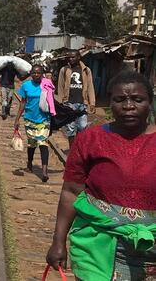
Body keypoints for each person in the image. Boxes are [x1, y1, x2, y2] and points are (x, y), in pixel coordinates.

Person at [47, 71, 156, 281]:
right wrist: (58, 241)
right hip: (97, 245)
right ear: (110, 103)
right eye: (120, 99)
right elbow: (71, 191)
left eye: (137, 99)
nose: (128, 106)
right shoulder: (90, 139)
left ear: (150, 102)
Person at [14, 65, 52, 182]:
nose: (36, 75)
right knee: (32, 144)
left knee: (43, 143)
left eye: (39, 73)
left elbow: (51, 101)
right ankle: (30, 162)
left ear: (42, 74)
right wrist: (17, 119)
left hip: (44, 119)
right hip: (29, 119)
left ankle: (44, 171)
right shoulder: (26, 86)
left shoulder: (46, 85)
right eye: (34, 73)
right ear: (31, 74)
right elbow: (23, 103)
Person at [56, 50, 96, 148]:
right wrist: (60, 102)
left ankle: (79, 148)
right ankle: (72, 151)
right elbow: (60, 86)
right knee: (70, 129)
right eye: (69, 57)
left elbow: (90, 86)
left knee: (82, 127)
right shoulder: (64, 70)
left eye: (73, 57)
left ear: (79, 57)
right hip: (69, 103)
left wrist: (92, 103)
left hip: (82, 103)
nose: (71, 59)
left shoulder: (86, 70)